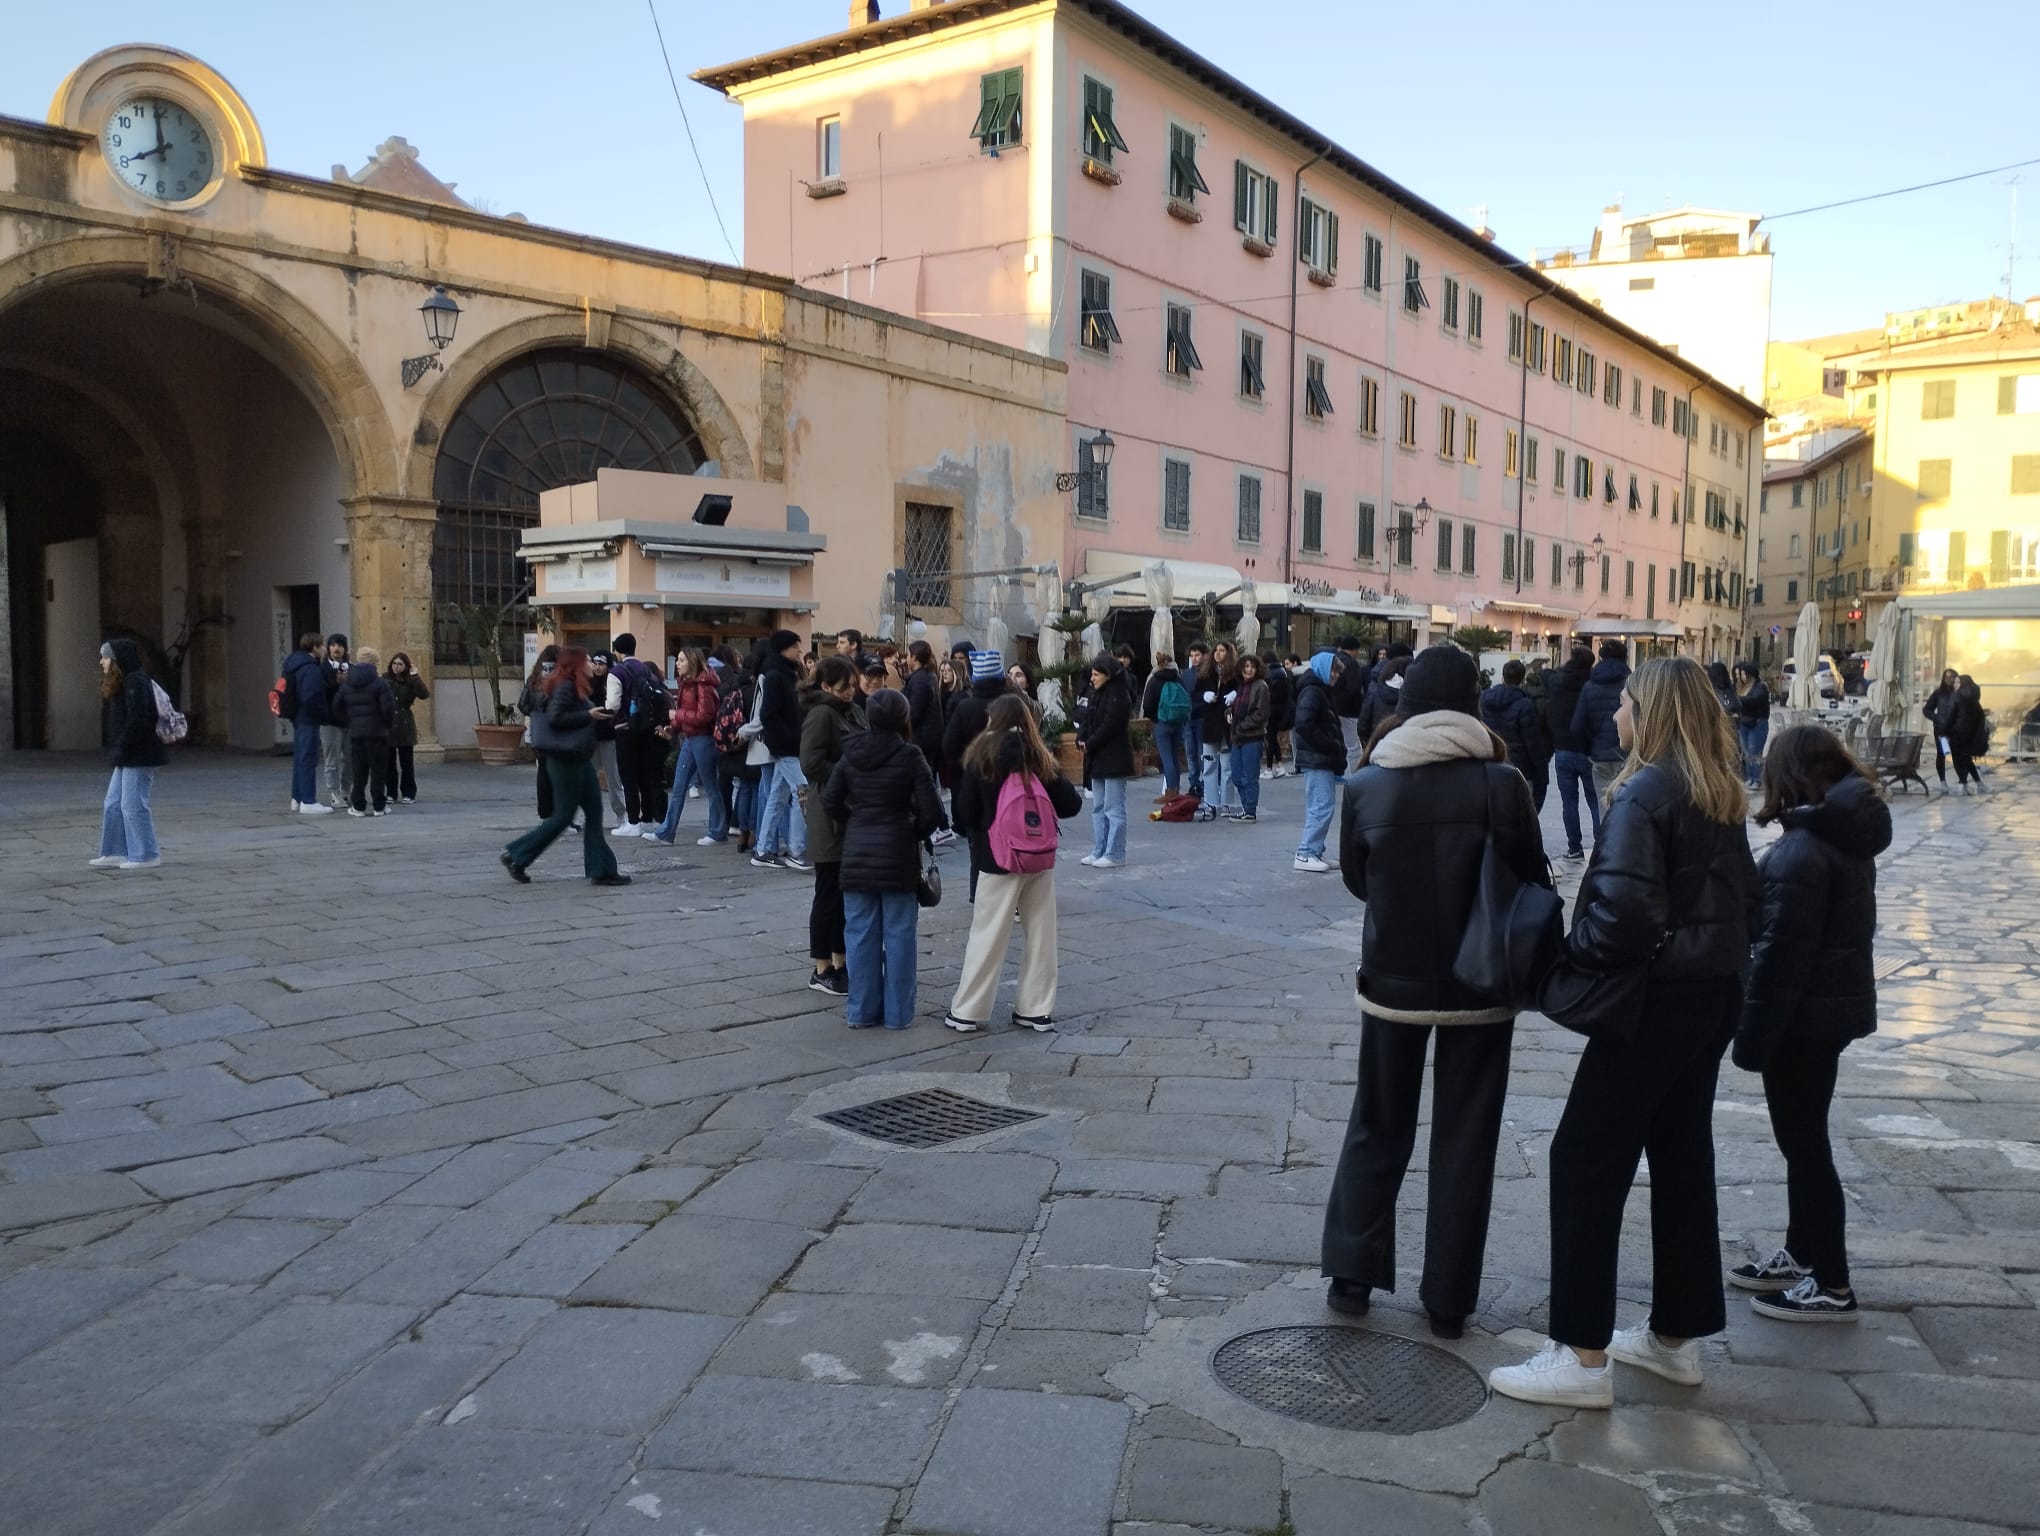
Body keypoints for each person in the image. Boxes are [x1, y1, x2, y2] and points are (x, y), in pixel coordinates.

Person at [1490, 656, 1757, 1409]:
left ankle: (1581, 1356)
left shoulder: (1645, 793)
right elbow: (1750, 900)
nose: (1614, 714)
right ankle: (1675, 1336)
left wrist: (1569, 956)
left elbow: (1622, 916)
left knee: (1583, 1157)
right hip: (1711, 996)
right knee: (1681, 1156)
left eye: (1627, 703)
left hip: (1654, 1003)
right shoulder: (1717, 789)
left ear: (1652, 712)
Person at [1322, 647, 1548, 1337]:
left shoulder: (1367, 784)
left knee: (1377, 1121)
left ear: (1408, 702)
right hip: (1483, 980)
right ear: (1472, 704)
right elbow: (1531, 875)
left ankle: (1352, 1276)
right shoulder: (1503, 782)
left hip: (1393, 979)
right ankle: (1448, 1301)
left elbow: (1357, 880)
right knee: (1467, 1136)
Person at [1731, 725, 1891, 1323]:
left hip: (1804, 1018)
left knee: (1805, 1146)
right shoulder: (1838, 837)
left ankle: (1831, 1283)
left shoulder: (1803, 851)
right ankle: (1802, 1254)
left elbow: (1781, 958)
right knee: (1802, 1141)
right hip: (1827, 1010)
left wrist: (1751, 1039)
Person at [944, 694, 1085, 1032]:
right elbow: (1071, 804)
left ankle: (968, 1011)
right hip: (1038, 858)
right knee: (1041, 935)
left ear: (992, 719)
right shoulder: (1036, 754)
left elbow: (965, 813)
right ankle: (1036, 1009)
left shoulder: (982, 756)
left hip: (996, 859)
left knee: (988, 934)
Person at [822, 688, 944, 1029]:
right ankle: (898, 1014)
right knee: (900, 935)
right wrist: (911, 829)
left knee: (859, 935)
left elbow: (831, 801)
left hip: (857, 853)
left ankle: (861, 1011)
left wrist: (855, 821)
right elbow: (933, 811)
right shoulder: (910, 755)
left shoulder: (851, 752)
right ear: (903, 718)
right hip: (898, 856)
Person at [501, 646, 630, 887]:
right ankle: (517, 855)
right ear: (576, 665)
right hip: (565, 759)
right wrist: (589, 715)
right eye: (588, 661)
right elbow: (556, 717)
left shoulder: (574, 685)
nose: (592, 664)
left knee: (594, 811)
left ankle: (602, 869)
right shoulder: (565, 686)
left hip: (578, 757)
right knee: (563, 816)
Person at [801, 656, 866, 995]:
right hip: (828, 812)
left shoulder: (853, 711)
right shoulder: (821, 714)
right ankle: (821, 967)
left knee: (843, 893)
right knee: (827, 891)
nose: (850, 692)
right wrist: (846, 773)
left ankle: (841, 962)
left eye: (853, 686)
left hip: (851, 809)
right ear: (826, 686)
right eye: (844, 688)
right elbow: (810, 763)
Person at [92, 637, 166, 869]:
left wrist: (121, 746)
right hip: (126, 754)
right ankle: (115, 851)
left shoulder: (136, 682)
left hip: (139, 754)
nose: (101, 662)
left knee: (133, 805)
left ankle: (146, 854)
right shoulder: (124, 682)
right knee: (113, 804)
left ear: (117, 659)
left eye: (105, 657)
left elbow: (138, 720)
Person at [645, 649, 727, 846]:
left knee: (711, 787)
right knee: (679, 787)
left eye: (681, 660)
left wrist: (677, 716)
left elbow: (705, 716)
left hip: (704, 739)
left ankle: (717, 832)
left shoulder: (703, 686)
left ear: (692, 661)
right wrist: (672, 727)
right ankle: (666, 832)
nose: (677, 663)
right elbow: (686, 712)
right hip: (690, 739)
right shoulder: (687, 683)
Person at [751, 629, 814, 871]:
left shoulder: (787, 673)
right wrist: (785, 738)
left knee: (777, 798)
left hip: (789, 745)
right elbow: (768, 714)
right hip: (785, 746)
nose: (799, 650)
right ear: (783, 648)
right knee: (802, 793)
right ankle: (797, 851)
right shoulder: (775, 675)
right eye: (795, 646)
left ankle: (763, 849)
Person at [605, 634, 667, 837]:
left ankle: (633, 821)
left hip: (625, 728)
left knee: (628, 775)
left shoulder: (617, 672)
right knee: (644, 774)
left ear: (617, 650)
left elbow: (613, 704)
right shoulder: (645, 669)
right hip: (646, 728)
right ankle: (647, 818)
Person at [1290, 650, 1345, 872]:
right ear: (1324, 669)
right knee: (1321, 806)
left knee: (1321, 805)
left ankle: (1315, 850)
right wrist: (1328, 744)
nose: (1336, 676)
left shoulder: (1318, 690)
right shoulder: (1313, 692)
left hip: (1319, 757)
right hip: (1317, 757)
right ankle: (1306, 853)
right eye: (1334, 671)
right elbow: (1304, 725)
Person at [1079, 651, 1134, 867]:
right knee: (1099, 807)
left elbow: (1111, 725)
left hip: (1114, 758)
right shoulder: (1096, 692)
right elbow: (1087, 719)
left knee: (1114, 808)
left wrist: (1090, 742)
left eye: (1096, 674)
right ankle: (1100, 849)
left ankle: (1115, 853)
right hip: (1098, 758)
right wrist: (1081, 737)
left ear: (1108, 675)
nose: (1092, 678)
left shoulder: (1119, 694)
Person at [1546, 645, 1598, 859]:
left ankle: (1574, 847)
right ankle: (1601, 846)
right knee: (1594, 800)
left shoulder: (1557, 682)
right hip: (1588, 749)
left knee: (1569, 801)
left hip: (1563, 748)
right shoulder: (1593, 683)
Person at [332, 645, 396, 817]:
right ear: (375, 662)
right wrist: (386, 725)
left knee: (359, 770)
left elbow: (337, 707)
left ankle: (358, 806)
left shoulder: (347, 683)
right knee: (378, 770)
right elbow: (388, 709)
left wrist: (350, 721)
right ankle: (379, 806)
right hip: (377, 733)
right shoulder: (381, 683)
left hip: (357, 732)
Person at [1480, 659, 1549, 810]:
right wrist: (1541, 774)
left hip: (1490, 765)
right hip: (1520, 769)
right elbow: (1533, 743)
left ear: (1503, 677)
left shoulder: (1485, 699)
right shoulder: (1525, 704)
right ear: (1522, 679)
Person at [941, 648, 1012, 788]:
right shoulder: (1012, 705)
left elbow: (948, 745)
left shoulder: (965, 707)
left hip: (967, 775)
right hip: (1006, 777)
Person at [1572, 638, 1632, 803]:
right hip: (1628, 755)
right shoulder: (1632, 685)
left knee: (1604, 807)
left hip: (1600, 756)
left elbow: (1577, 726)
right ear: (1624, 657)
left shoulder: (1590, 686)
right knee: (1627, 805)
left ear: (1601, 657)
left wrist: (1590, 750)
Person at [716, 646, 763, 852]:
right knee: (755, 788)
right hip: (753, 744)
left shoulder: (735, 689)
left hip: (736, 745)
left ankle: (742, 831)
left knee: (744, 788)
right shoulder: (755, 691)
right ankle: (752, 831)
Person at [281, 632, 332, 816]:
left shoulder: (294, 665)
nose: (325, 649)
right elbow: (311, 696)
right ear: (315, 647)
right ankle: (308, 800)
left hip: (298, 716)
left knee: (300, 758)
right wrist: (322, 714)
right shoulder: (310, 668)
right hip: (308, 718)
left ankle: (297, 797)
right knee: (308, 759)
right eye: (322, 645)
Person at [519, 645, 563, 820]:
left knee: (543, 771)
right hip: (558, 732)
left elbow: (522, 704)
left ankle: (545, 812)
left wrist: (536, 715)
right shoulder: (561, 680)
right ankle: (559, 813)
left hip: (539, 732)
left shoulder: (534, 680)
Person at [1141, 650, 1192, 799]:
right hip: (1179, 722)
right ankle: (1175, 789)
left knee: (1166, 758)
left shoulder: (1154, 680)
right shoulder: (1179, 679)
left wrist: (1154, 718)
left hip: (1162, 723)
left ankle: (1170, 792)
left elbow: (1147, 704)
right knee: (1174, 757)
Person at [1226, 653, 1271, 821]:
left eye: (1252, 666)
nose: (1249, 669)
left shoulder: (1261, 686)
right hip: (1238, 737)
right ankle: (1247, 808)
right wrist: (1229, 713)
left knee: (1250, 776)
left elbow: (1261, 714)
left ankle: (1250, 810)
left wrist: (1241, 726)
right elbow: (1235, 709)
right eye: (1246, 666)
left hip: (1252, 737)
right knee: (1237, 776)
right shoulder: (1242, 686)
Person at [381, 653, 429, 806]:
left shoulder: (410, 681)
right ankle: (391, 792)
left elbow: (424, 694)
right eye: (394, 663)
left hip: (404, 723)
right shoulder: (385, 679)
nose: (396, 667)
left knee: (406, 762)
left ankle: (408, 793)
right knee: (389, 763)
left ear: (406, 666)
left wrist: (415, 676)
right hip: (389, 723)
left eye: (400, 664)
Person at [587, 652, 628, 828]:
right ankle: (589, 816)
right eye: (594, 663)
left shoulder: (611, 682)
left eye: (601, 664)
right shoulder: (587, 683)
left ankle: (621, 815)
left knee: (613, 778)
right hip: (590, 736)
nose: (597, 667)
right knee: (588, 778)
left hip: (608, 736)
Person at [1194, 641, 1235, 812]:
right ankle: (1211, 802)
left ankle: (1227, 802)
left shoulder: (1234, 674)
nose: (1218, 653)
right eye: (1216, 650)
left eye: (1222, 650)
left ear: (1228, 653)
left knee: (1227, 766)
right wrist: (1204, 695)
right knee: (1209, 765)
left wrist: (1235, 694)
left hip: (1226, 724)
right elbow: (1195, 694)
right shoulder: (1206, 674)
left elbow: (1242, 690)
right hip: (1210, 724)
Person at [903, 640, 947, 789]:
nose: (906, 659)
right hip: (928, 738)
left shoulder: (920, 680)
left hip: (922, 739)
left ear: (914, 657)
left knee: (922, 780)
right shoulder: (928, 676)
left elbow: (914, 713)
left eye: (908, 655)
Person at [319, 633, 352, 810]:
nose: (336, 648)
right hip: (329, 720)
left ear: (345, 649)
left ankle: (346, 789)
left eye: (340, 645)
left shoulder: (351, 669)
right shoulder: (322, 669)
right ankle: (334, 792)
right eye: (333, 645)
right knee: (332, 759)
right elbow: (321, 691)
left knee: (351, 757)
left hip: (349, 720)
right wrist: (335, 681)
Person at [1355, 644, 1412, 744]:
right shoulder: (1413, 685)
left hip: (1378, 740)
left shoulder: (1375, 682)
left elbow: (1363, 722)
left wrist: (1369, 742)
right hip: (1404, 742)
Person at [1331, 635, 1371, 769]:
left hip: (1332, 708)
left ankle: (1338, 771)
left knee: (1337, 743)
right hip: (1349, 710)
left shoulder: (1333, 660)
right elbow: (1354, 688)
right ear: (1354, 649)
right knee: (1353, 746)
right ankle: (1357, 772)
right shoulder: (1352, 664)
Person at [1732, 662, 1770, 789]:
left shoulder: (1760, 687)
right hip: (1745, 722)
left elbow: (1755, 700)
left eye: (1744, 674)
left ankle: (1757, 779)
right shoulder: (1742, 687)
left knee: (1755, 751)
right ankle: (1750, 777)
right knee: (1747, 752)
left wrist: (1738, 700)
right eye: (1741, 674)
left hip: (1757, 723)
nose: (1742, 677)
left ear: (1750, 675)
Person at [1947, 674, 1988, 794]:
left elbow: (1950, 717)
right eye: (1954, 682)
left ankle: (1963, 785)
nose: (1955, 685)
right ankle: (1976, 784)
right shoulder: (1974, 700)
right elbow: (1980, 717)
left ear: (1963, 685)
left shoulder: (1956, 698)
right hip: (1970, 736)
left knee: (1958, 759)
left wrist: (1943, 730)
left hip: (1956, 734)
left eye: (1957, 682)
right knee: (1966, 760)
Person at [1922, 668, 1961, 791]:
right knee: (1942, 754)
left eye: (1952, 676)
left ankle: (1962, 781)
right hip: (1942, 730)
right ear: (1943, 678)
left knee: (1958, 755)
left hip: (1956, 730)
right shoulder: (1938, 694)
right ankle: (1943, 782)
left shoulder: (1959, 693)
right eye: (1947, 676)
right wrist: (1937, 719)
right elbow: (1927, 710)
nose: (1949, 679)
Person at [1183, 641, 1212, 797]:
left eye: (1197, 655)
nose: (1194, 658)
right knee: (1190, 752)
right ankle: (1194, 782)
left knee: (1202, 752)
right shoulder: (1186, 674)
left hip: (1202, 717)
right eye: (1192, 655)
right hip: (1188, 718)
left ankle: (1206, 782)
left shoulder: (1208, 673)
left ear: (1204, 656)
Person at [1261, 649, 1295, 778]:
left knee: (1270, 739)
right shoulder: (1283, 671)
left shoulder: (1267, 673)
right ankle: (1280, 766)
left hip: (1270, 709)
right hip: (1281, 710)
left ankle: (1269, 768)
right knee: (1273, 738)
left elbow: (1267, 693)